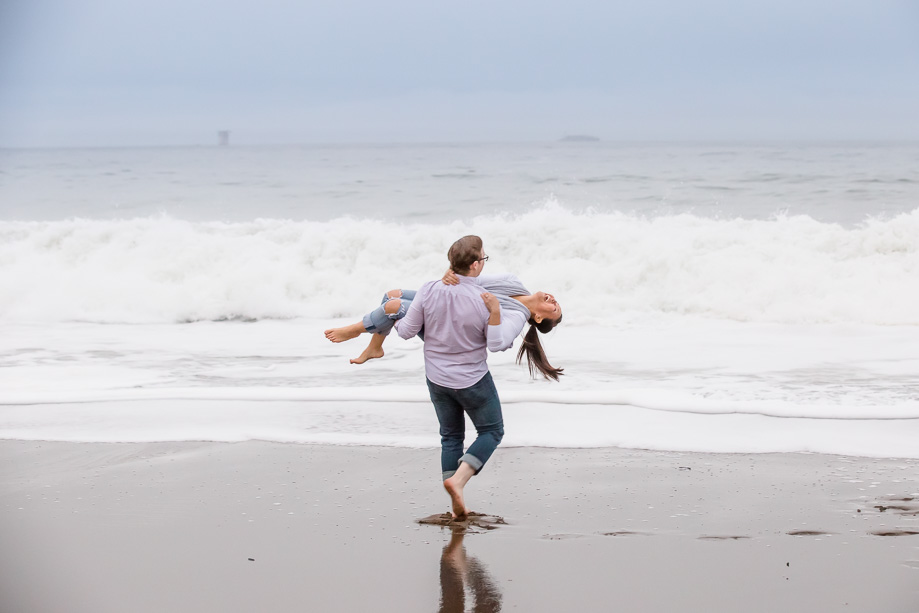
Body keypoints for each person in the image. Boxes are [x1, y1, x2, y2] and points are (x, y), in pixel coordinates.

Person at [323, 265, 564, 380]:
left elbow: (497, 342)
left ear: (539, 318)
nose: (553, 300)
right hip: (447, 302)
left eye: (554, 307)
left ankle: (354, 330)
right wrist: (453, 275)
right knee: (392, 294)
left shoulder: (516, 316)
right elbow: (472, 280)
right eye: (556, 301)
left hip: (451, 330)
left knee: (393, 307)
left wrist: (494, 313)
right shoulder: (512, 282)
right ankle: (375, 347)